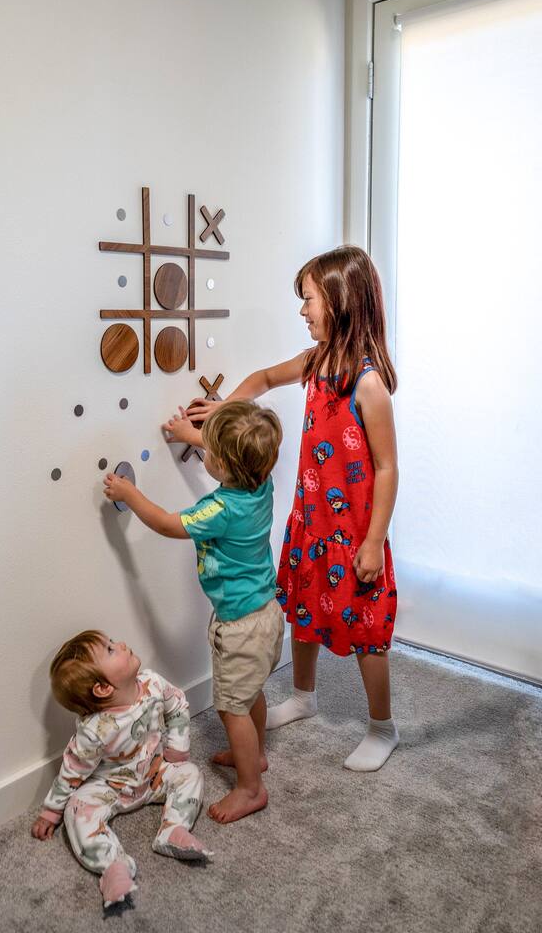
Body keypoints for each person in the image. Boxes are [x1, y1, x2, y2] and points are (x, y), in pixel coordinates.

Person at [183, 246, 400, 772]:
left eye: (308, 301)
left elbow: (388, 468)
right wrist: (223, 413)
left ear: (341, 302)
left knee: (364, 630)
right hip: (309, 522)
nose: (301, 312)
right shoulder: (314, 363)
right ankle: (304, 695)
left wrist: (373, 541)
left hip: (352, 532)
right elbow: (260, 379)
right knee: (304, 612)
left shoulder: (367, 384)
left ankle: (382, 726)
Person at [104, 400, 284, 823]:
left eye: (210, 453)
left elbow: (168, 523)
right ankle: (253, 756)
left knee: (231, 707)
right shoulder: (262, 483)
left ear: (225, 465)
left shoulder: (220, 510)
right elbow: (233, 454)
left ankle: (250, 789)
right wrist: (192, 435)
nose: (207, 457)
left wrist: (130, 495)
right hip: (265, 613)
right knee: (250, 693)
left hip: (240, 625)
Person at [31, 630, 212, 913]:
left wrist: (177, 749)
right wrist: (51, 810)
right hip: (109, 786)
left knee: (190, 773)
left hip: (153, 774)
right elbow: (72, 770)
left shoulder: (152, 684)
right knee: (76, 811)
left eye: (112, 642)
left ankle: (173, 829)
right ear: (102, 688)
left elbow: (177, 705)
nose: (121, 644)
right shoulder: (95, 730)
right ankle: (112, 865)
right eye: (111, 649)